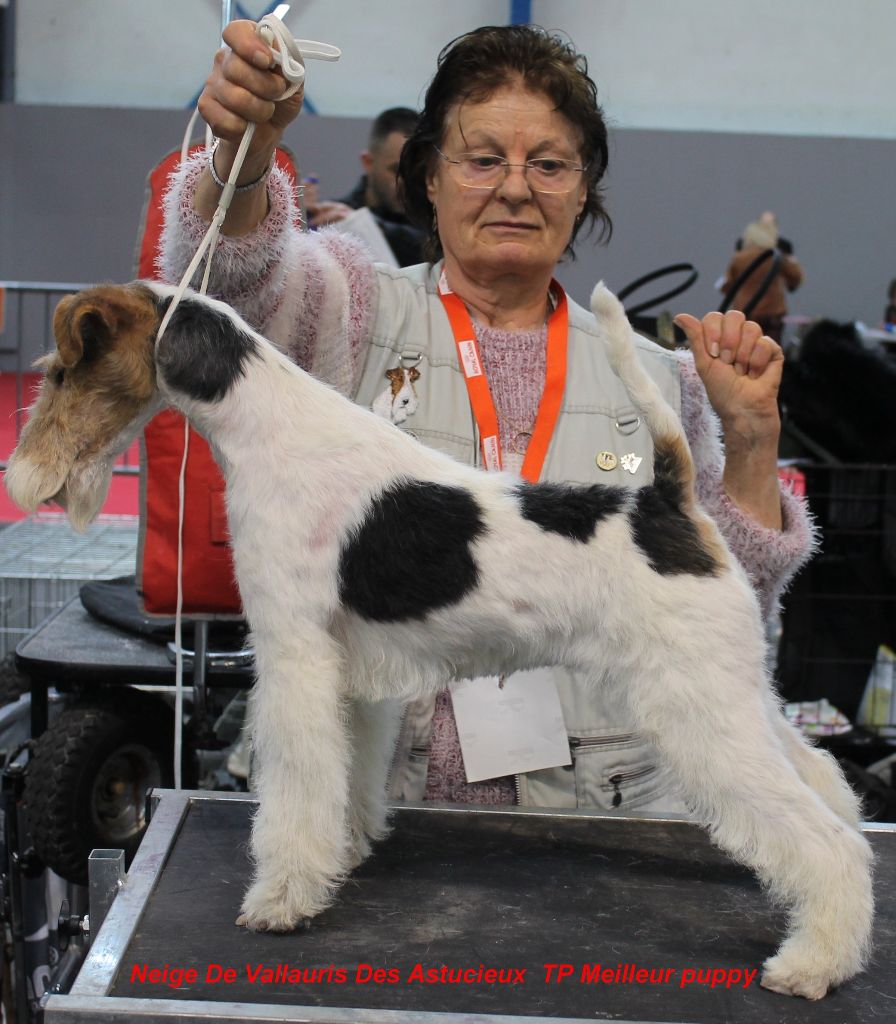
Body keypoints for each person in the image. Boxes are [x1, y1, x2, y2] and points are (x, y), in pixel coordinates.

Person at [164, 22, 816, 815]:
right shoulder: (348, 308)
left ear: (582, 191)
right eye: (482, 159)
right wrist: (247, 154)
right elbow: (235, 285)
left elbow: (721, 615)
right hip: (380, 814)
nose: (516, 187)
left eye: (548, 163)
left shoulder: (659, 382)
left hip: (598, 822)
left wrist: (749, 443)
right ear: (429, 178)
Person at [306, 106, 428, 266]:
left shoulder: (435, 221)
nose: (408, 182)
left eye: (417, 171)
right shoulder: (334, 220)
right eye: (396, 170)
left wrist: (363, 226)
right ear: (368, 162)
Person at [721, 214, 804, 344]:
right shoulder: (776, 256)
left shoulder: (739, 258)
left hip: (745, 312)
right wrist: (791, 258)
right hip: (772, 313)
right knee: (771, 351)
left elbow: (727, 286)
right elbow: (796, 278)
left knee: (745, 350)